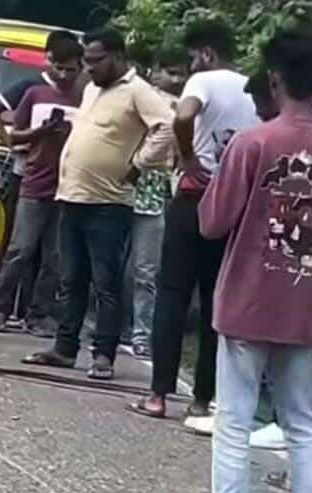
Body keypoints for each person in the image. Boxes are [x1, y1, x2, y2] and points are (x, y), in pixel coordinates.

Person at [192, 27, 312, 493]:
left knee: (235, 419)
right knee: (305, 422)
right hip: (311, 306)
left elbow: (212, 222)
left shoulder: (253, 143)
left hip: (248, 299)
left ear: (274, 79)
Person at [22, 27, 174, 380]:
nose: (88, 68)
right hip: (72, 195)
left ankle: (103, 354)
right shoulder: (91, 89)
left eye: (95, 60)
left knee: (105, 282)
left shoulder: (138, 91)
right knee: (71, 279)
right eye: (86, 61)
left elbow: (166, 126)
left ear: (118, 57)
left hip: (109, 203)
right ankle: (64, 348)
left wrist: (138, 165)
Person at [131, 20, 259, 419]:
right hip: (234, 205)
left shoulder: (204, 82)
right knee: (214, 303)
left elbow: (183, 117)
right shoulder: (254, 90)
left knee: (172, 294)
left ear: (206, 53)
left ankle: (158, 395)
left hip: (193, 200)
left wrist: (187, 157)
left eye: (192, 59)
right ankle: (202, 399)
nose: (189, 68)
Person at [0, 30, 84, 331]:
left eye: (71, 69)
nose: (64, 75)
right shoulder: (33, 91)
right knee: (20, 249)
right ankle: (0, 309)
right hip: (32, 179)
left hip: (67, 186)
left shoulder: (85, 98)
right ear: (49, 61)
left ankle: (37, 314)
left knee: (54, 257)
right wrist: (31, 137)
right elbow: (8, 126)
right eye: (59, 67)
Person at [123, 45, 188, 359]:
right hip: (123, 185)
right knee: (117, 265)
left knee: (145, 269)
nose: (175, 79)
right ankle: (115, 328)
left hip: (155, 192)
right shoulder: (138, 97)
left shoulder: (188, 107)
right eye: (170, 72)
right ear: (154, 72)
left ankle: (140, 333)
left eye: (181, 74)